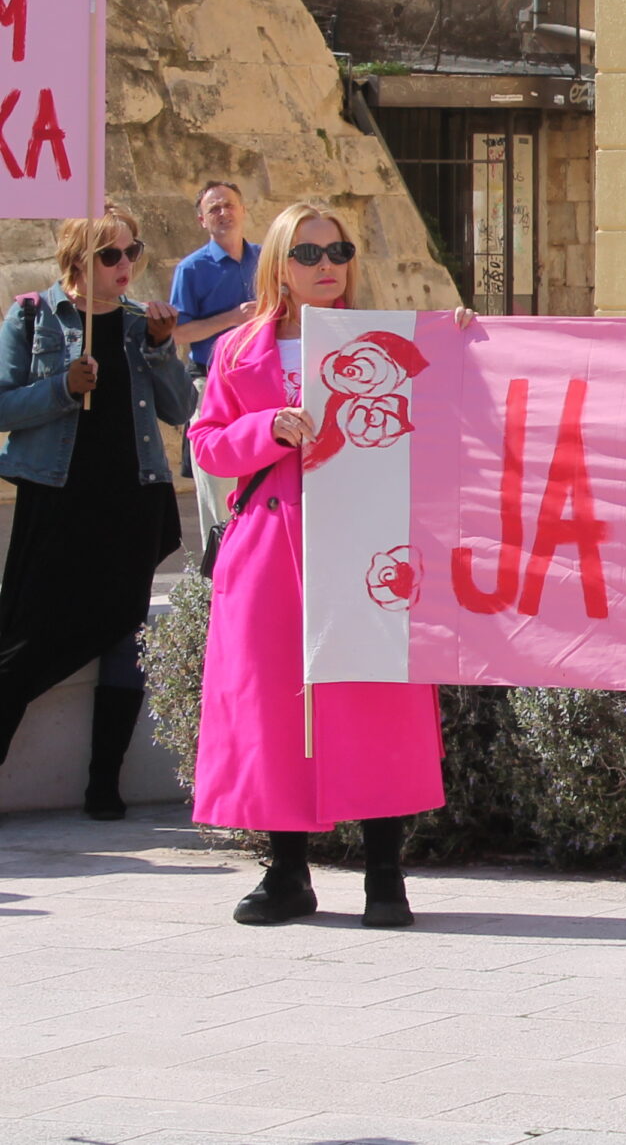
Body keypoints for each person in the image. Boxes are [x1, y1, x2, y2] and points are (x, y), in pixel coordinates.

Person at [191, 202, 459, 926]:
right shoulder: (239, 350)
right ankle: (286, 871)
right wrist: (265, 427)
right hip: (269, 550)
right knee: (275, 707)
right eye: (308, 252)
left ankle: (385, 873)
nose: (327, 264)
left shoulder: (386, 339)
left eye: (337, 249)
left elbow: (448, 406)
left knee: (374, 701)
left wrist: (465, 343)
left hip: (365, 545)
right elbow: (209, 444)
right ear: (279, 262)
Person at [0, 205, 196, 819]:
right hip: (56, 499)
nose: (124, 267)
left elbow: (179, 409)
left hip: (132, 499)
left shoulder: (144, 324)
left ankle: (102, 783)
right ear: (76, 260)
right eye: (109, 255)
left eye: (131, 253)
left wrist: (165, 348)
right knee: (25, 638)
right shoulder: (34, 315)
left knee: (123, 636)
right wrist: (61, 389)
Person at [169, 181, 261, 554]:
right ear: (202, 221)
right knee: (217, 485)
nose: (223, 213)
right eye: (214, 210)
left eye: (229, 205)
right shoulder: (191, 269)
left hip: (261, 382)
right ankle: (216, 572)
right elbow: (178, 332)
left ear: (242, 209)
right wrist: (232, 318)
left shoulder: (267, 258)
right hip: (213, 384)